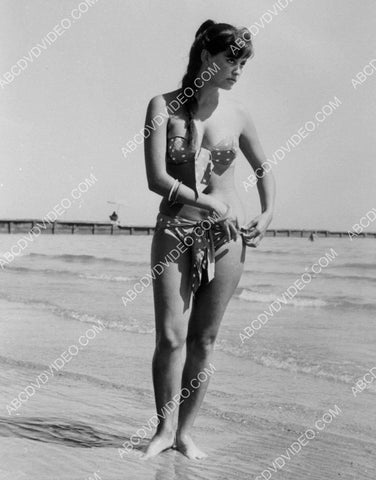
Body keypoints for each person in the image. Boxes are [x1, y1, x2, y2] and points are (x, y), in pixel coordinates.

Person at [143, 20, 275, 460]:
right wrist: (206, 201)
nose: (238, 70)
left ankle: (185, 434)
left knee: (204, 340)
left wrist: (268, 211)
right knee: (171, 337)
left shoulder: (237, 114)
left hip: (227, 237)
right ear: (206, 57)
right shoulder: (164, 106)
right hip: (176, 230)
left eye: (243, 62)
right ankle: (163, 430)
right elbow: (157, 179)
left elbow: (262, 167)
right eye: (231, 60)